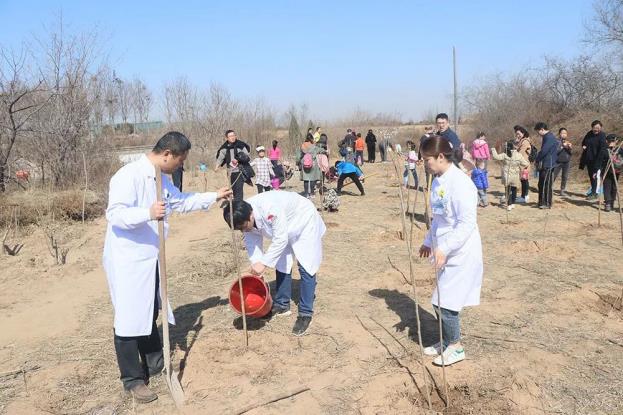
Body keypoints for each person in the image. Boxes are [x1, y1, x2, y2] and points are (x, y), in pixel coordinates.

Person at [103, 132, 231, 402]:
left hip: (151, 258)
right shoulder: (128, 176)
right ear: (167, 155)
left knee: (149, 309)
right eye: (180, 161)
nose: (179, 166)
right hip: (128, 260)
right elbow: (114, 214)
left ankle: (153, 361)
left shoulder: (160, 178)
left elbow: (180, 202)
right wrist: (147, 213)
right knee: (128, 318)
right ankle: (133, 379)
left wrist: (214, 196)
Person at [417, 136, 483, 367]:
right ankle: (447, 340)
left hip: (462, 251)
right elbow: (438, 218)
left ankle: (455, 347)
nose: (425, 163)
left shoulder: (462, 185)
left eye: (427, 159)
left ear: (441, 157)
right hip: (444, 249)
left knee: (445, 302)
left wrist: (444, 247)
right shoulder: (438, 180)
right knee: (440, 300)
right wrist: (428, 241)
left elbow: (466, 224)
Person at [223, 191, 326, 336]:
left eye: (244, 226)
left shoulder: (270, 208)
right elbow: (253, 244)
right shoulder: (244, 216)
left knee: (306, 265)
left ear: (251, 215)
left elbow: (280, 239)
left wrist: (264, 263)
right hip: (283, 229)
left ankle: (305, 313)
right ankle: (282, 304)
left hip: (303, 220)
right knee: (282, 262)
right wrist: (257, 266)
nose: (243, 230)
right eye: (239, 229)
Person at [491, 141, 529, 211]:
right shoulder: (519, 155)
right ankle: (513, 204)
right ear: (514, 147)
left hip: (507, 175)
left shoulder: (505, 155)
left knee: (507, 190)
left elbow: (496, 157)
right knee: (514, 190)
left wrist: (493, 149)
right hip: (515, 175)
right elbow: (525, 164)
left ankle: (509, 204)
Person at [215, 130, 251, 201]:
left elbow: (246, 155)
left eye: (233, 135)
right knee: (234, 189)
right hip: (230, 172)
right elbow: (220, 158)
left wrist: (239, 159)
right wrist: (217, 166)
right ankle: (236, 203)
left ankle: (239, 205)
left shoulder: (240, 145)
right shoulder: (224, 148)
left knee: (239, 189)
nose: (232, 137)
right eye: (230, 136)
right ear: (227, 138)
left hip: (240, 171)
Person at [580, 120, 607, 200]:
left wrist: (598, 163)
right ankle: (593, 191)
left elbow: (602, 149)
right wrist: (584, 146)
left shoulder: (602, 135)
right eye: (594, 128)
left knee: (596, 176)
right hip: (589, 159)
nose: (596, 129)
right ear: (592, 128)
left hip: (598, 160)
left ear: (601, 128)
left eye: (598, 128)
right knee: (591, 176)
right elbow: (584, 142)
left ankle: (596, 193)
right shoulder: (589, 134)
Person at [534, 122, 558, 209]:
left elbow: (544, 151)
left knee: (546, 184)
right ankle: (541, 202)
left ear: (542, 129)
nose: (538, 134)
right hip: (545, 163)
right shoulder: (547, 137)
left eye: (538, 132)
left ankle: (547, 203)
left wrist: (537, 158)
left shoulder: (549, 137)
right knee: (541, 184)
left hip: (548, 164)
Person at [602, 134, 623, 212]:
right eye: (610, 141)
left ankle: (612, 202)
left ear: (616, 141)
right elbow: (599, 160)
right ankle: (607, 203)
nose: (612, 143)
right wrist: (596, 170)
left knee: (614, 187)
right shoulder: (604, 150)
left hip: (616, 171)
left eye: (614, 141)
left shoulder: (619, 150)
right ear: (606, 142)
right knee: (607, 187)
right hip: (606, 171)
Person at [513, 126, 532, 203]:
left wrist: (514, 151)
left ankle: (524, 196)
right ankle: (524, 196)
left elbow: (520, 152)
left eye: (519, 133)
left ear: (523, 133)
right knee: (523, 180)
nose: (517, 135)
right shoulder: (522, 141)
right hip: (522, 164)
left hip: (525, 164)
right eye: (516, 134)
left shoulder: (525, 141)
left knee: (524, 180)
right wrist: (516, 142)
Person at [553, 128, 573, 197]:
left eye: (565, 133)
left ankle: (562, 190)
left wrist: (569, 148)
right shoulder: (556, 141)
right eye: (562, 133)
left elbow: (570, 153)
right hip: (558, 161)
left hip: (566, 161)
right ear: (559, 134)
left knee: (565, 176)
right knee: (554, 175)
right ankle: (549, 188)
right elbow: (555, 151)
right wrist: (562, 146)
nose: (564, 134)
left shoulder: (567, 142)